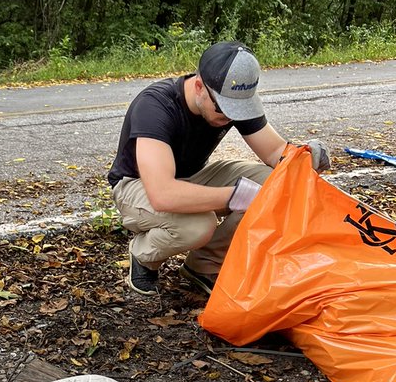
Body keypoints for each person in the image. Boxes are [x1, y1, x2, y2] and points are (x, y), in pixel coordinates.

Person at [108, 40, 330, 296]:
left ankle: (203, 265)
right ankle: (144, 255)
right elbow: (162, 194)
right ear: (200, 86)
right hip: (138, 187)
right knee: (199, 225)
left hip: (192, 177)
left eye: (237, 110)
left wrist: (305, 157)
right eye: (224, 110)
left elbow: (273, 151)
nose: (230, 117)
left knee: (277, 184)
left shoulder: (234, 99)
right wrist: (237, 196)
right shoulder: (155, 106)